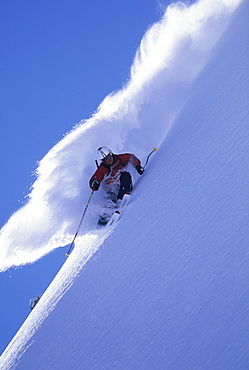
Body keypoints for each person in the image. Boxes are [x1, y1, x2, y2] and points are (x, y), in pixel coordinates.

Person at [90, 146, 144, 224]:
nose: (108, 160)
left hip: (124, 186)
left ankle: (121, 198)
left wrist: (138, 167)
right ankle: (102, 224)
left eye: (108, 157)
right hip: (111, 190)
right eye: (105, 159)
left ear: (111, 153)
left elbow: (132, 158)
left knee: (126, 175)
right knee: (109, 203)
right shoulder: (103, 168)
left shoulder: (120, 159)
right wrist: (95, 183)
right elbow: (96, 177)